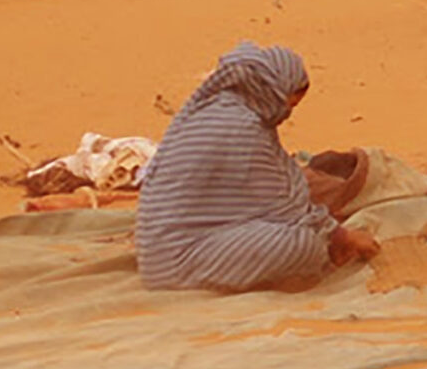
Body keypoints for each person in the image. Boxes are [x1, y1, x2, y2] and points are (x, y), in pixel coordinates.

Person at [136, 41, 379, 291]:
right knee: (301, 243)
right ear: (273, 90)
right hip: (176, 263)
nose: (287, 113)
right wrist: (340, 237)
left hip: (159, 252)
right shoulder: (241, 128)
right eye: (289, 103)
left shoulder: (216, 111)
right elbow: (283, 207)